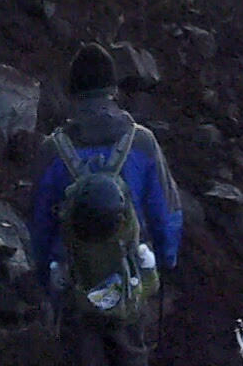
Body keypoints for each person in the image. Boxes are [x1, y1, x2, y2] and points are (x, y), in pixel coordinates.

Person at [27, 40, 184, 362]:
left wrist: (47, 279)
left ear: (73, 93)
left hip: (73, 284)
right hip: (130, 280)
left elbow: (39, 226)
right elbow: (166, 213)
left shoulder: (52, 151)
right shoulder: (141, 143)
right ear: (112, 89)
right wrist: (165, 262)